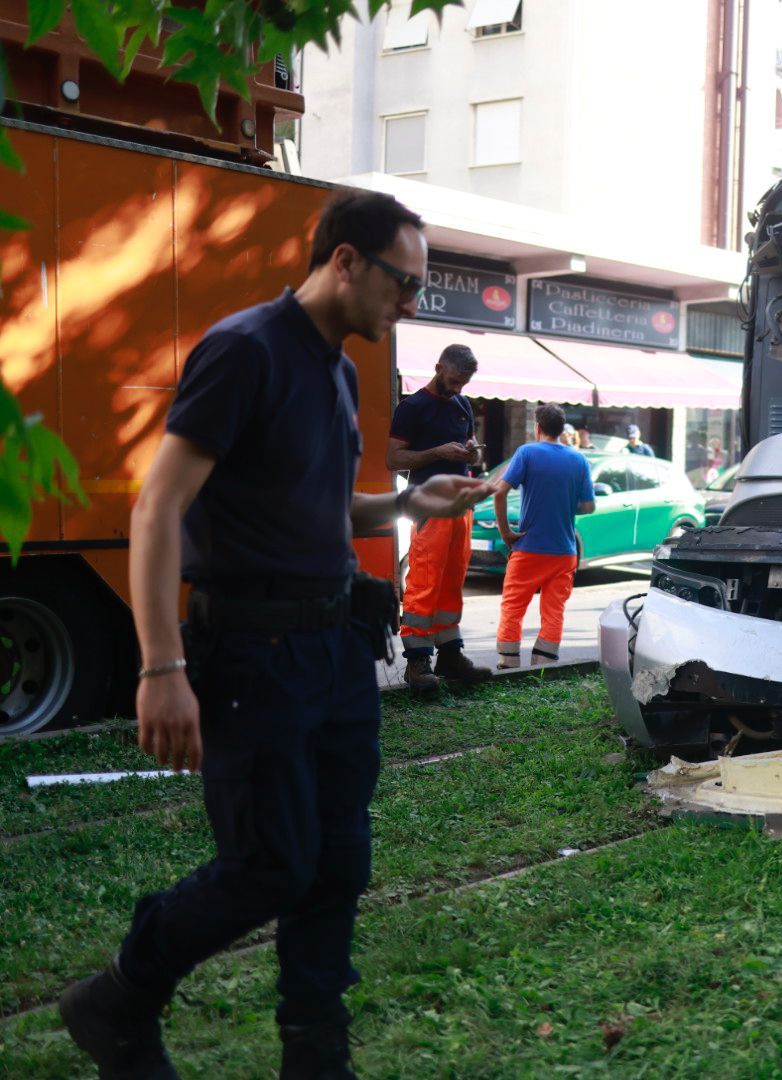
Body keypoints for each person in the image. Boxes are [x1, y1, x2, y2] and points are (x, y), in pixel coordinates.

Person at [58, 190, 495, 1079]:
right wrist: (159, 667)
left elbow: (325, 505)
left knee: (338, 863)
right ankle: (117, 999)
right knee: (269, 865)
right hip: (249, 656)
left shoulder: (338, 368)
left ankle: (315, 1056)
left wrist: (410, 500)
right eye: (402, 282)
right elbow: (158, 508)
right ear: (344, 261)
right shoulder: (245, 350)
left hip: (333, 651)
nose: (410, 302)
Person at [386, 343, 492, 690]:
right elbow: (394, 459)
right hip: (429, 506)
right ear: (438, 368)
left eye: (465, 382)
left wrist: (472, 453)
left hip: (460, 506)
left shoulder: (461, 404)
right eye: (456, 379)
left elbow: (470, 455)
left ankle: (449, 653)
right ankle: (417, 662)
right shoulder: (411, 407)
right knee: (425, 580)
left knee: (451, 582)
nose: (460, 388)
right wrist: (437, 452)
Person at [493, 404, 595, 667]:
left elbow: (499, 492)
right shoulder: (579, 459)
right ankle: (543, 664)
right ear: (561, 430)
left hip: (529, 548)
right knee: (553, 611)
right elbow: (588, 506)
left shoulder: (527, 452)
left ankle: (508, 662)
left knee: (513, 606)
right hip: (564, 551)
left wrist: (506, 533)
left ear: (537, 427)